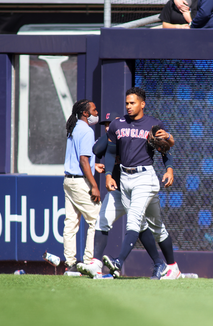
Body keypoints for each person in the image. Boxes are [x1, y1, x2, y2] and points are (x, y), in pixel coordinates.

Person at [76, 113, 174, 280]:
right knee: (103, 220)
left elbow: (164, 147)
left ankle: (158, 263)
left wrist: (169, 166)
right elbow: (96, 150)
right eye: (105, 125)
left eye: (110, 124)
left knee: (142, 225)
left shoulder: (133, 137)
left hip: (137, 187)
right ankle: (96, 264)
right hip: (118, 189)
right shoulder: (112, 137)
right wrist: (109, 134)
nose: (107, 126)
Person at [101, 87, 182, 279]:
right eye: (127, 103)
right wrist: (108, 175)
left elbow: (166, 149)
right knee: (155, 226)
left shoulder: (153, 125)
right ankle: (170, 266)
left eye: (133, 103)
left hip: (145, 177)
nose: (128, 106)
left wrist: (169, 169)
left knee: (134, 219)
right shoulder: (117, 124)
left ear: (142, 104)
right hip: (125, 178)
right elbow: (111, 152)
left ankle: (118, 262)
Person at [62, 99, 102, 272]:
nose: (96, 112)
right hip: (80, 182)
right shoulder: (86, 130)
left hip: (68, 180)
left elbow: (81, 159)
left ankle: (70, 264)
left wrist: (95, 166)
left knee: (71, 223)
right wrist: (94, 185)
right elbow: (83, 160)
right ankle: (89, 261)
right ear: (85, 113)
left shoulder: (74, 127)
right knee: (97, 220)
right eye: (94, 110)